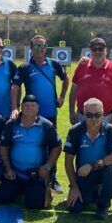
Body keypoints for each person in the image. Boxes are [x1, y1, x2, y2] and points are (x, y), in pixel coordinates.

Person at [11, 35, 69, 193]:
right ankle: (28, 174)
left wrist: (62, 97)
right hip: (31, 116)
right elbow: (15, 87)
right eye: (36, 46)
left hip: (50, 114)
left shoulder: (53, 64)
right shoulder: (24, 67)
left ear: (46, 47)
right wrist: (15, 107)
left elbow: (65, 78)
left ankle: (52, 179)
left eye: (42, 46)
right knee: (33, 146)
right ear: (31, 48)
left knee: (52, 146)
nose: (39, 49)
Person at [0, 95, 62, 209]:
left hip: (36, 174)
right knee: (2, 199)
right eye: (26, 105)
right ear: (21, 106)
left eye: (33, 106)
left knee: (35, 205)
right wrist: (8, 168)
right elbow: (3, 147)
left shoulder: (46, 125)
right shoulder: (11, 124)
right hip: (15, 173)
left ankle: (44, 188)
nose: (29, 108)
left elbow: (57, 147)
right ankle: (19, 191)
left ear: (38, 108)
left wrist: (47, 166)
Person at [64, 98, 112, 220]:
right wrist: (74, 187)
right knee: (74, 208)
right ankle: (93, 193)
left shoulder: (110, 129)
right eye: (89, 115)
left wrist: (92, 165)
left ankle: (103, 205)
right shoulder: (75, 131)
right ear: (84, 115)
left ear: (103, 114)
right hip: (84, 174)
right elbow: (68, 162)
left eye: (97, 115)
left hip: (103, 172)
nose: (94, 119)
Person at [69, 38, 112, 129]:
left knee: (106, 143)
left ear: (106, 51)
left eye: (101, 49)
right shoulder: (82, 66)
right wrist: (71, 112)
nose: (97, 51)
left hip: (106, 118)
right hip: (82, 117)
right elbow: (73, 90)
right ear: (90, 51)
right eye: (94, 49)